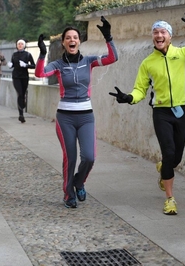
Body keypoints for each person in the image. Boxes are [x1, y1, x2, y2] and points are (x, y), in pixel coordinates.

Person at [109, 13, 185, 215]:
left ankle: (164, 168)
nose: (159, 35)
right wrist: (129, 98)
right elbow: (140, 89)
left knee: (175, 159)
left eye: (163, 32)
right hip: (161, 113)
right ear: (152, 37)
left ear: (170, 36)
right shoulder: (148, 63)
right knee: (168, 153)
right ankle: (170, 199)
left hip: (180, 111)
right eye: (155, 32)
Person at [35, 16, 118, 208]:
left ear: (79, 41)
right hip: (65, 118)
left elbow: (113, 58)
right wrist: (41, 55)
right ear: (63, 43)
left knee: (89, 157)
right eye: (68, 38)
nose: (72, 40)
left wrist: (109, 37)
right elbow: (40, 74)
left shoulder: (89, 61)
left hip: (86, 116)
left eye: (75, 37)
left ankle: (79, 182)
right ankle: (68, 194)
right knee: (70, 157)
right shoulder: (58, 65)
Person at [8, 39, 35, 123]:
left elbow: (34, 65)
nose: (20, 45)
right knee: (19, 93)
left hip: (24, 76)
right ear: (16, 46)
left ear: (24, 45)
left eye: (21, 44)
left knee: (23, 94)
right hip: (16, 76)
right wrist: (11, 65)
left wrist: (26, 65)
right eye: (18, 44)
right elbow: (12, 64)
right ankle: (21, 114)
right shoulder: (14, 55)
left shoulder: (28, 54)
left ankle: (23, 104)